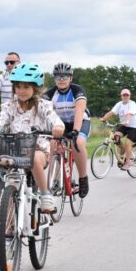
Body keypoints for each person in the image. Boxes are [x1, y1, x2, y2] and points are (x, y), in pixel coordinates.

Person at [0, 63, 65, 213]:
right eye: (18, 87)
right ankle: (9, 227)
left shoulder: (42, 105)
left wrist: (58, 127)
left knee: (34, 159)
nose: (21, 91)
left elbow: (53, 118)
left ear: (36, 88)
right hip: (16, 149)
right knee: (10, 179)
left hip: (38, 149)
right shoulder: (10, 106)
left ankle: (45, 194)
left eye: (26, 87)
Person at [42, 62, 91, 198]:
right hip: (61, 124)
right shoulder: (50, 94)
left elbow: (80, 110)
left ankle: (83, 179)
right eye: (58, 77)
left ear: (71, 78)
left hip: (80, 121)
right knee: (52, 145)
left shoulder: (77, 90)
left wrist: (75, 130)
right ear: (54, 79)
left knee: (78, 143)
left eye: (65, 76)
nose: (62, 79)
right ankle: (55, 179)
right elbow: (44, 112)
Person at [99, 88, 136, 170]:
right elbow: (111, 112)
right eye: (124, 95)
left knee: (127, 143)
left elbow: (129, 114)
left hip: (135, 126)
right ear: (121, 96)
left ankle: (128, 163)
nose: (125, 96)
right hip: (125, 125)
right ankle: (123, 150)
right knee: (116, 137)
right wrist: (104, 118)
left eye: (127, 95)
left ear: (129, 96)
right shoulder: (119, 104)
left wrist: (127, 120)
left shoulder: (132, 103)